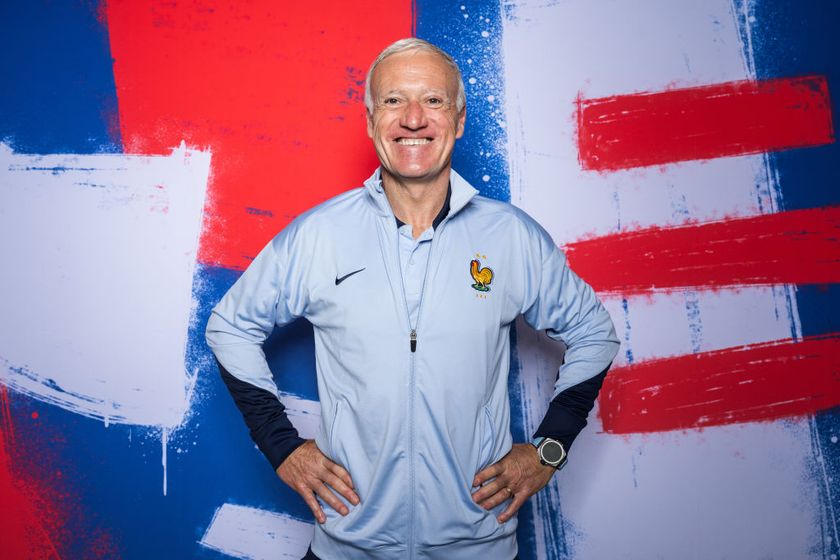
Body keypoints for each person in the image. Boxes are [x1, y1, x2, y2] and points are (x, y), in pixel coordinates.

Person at [206, 38, 619, 560]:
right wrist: (281, 445)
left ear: (459, 118)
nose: (414, 118)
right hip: (348, 545)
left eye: (434, 100)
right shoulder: (319, 235)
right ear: (370, 118)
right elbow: (230, 327)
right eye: (395, 100)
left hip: (479, 545)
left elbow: (594, 335)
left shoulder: (510, 237)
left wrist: (549, 449)